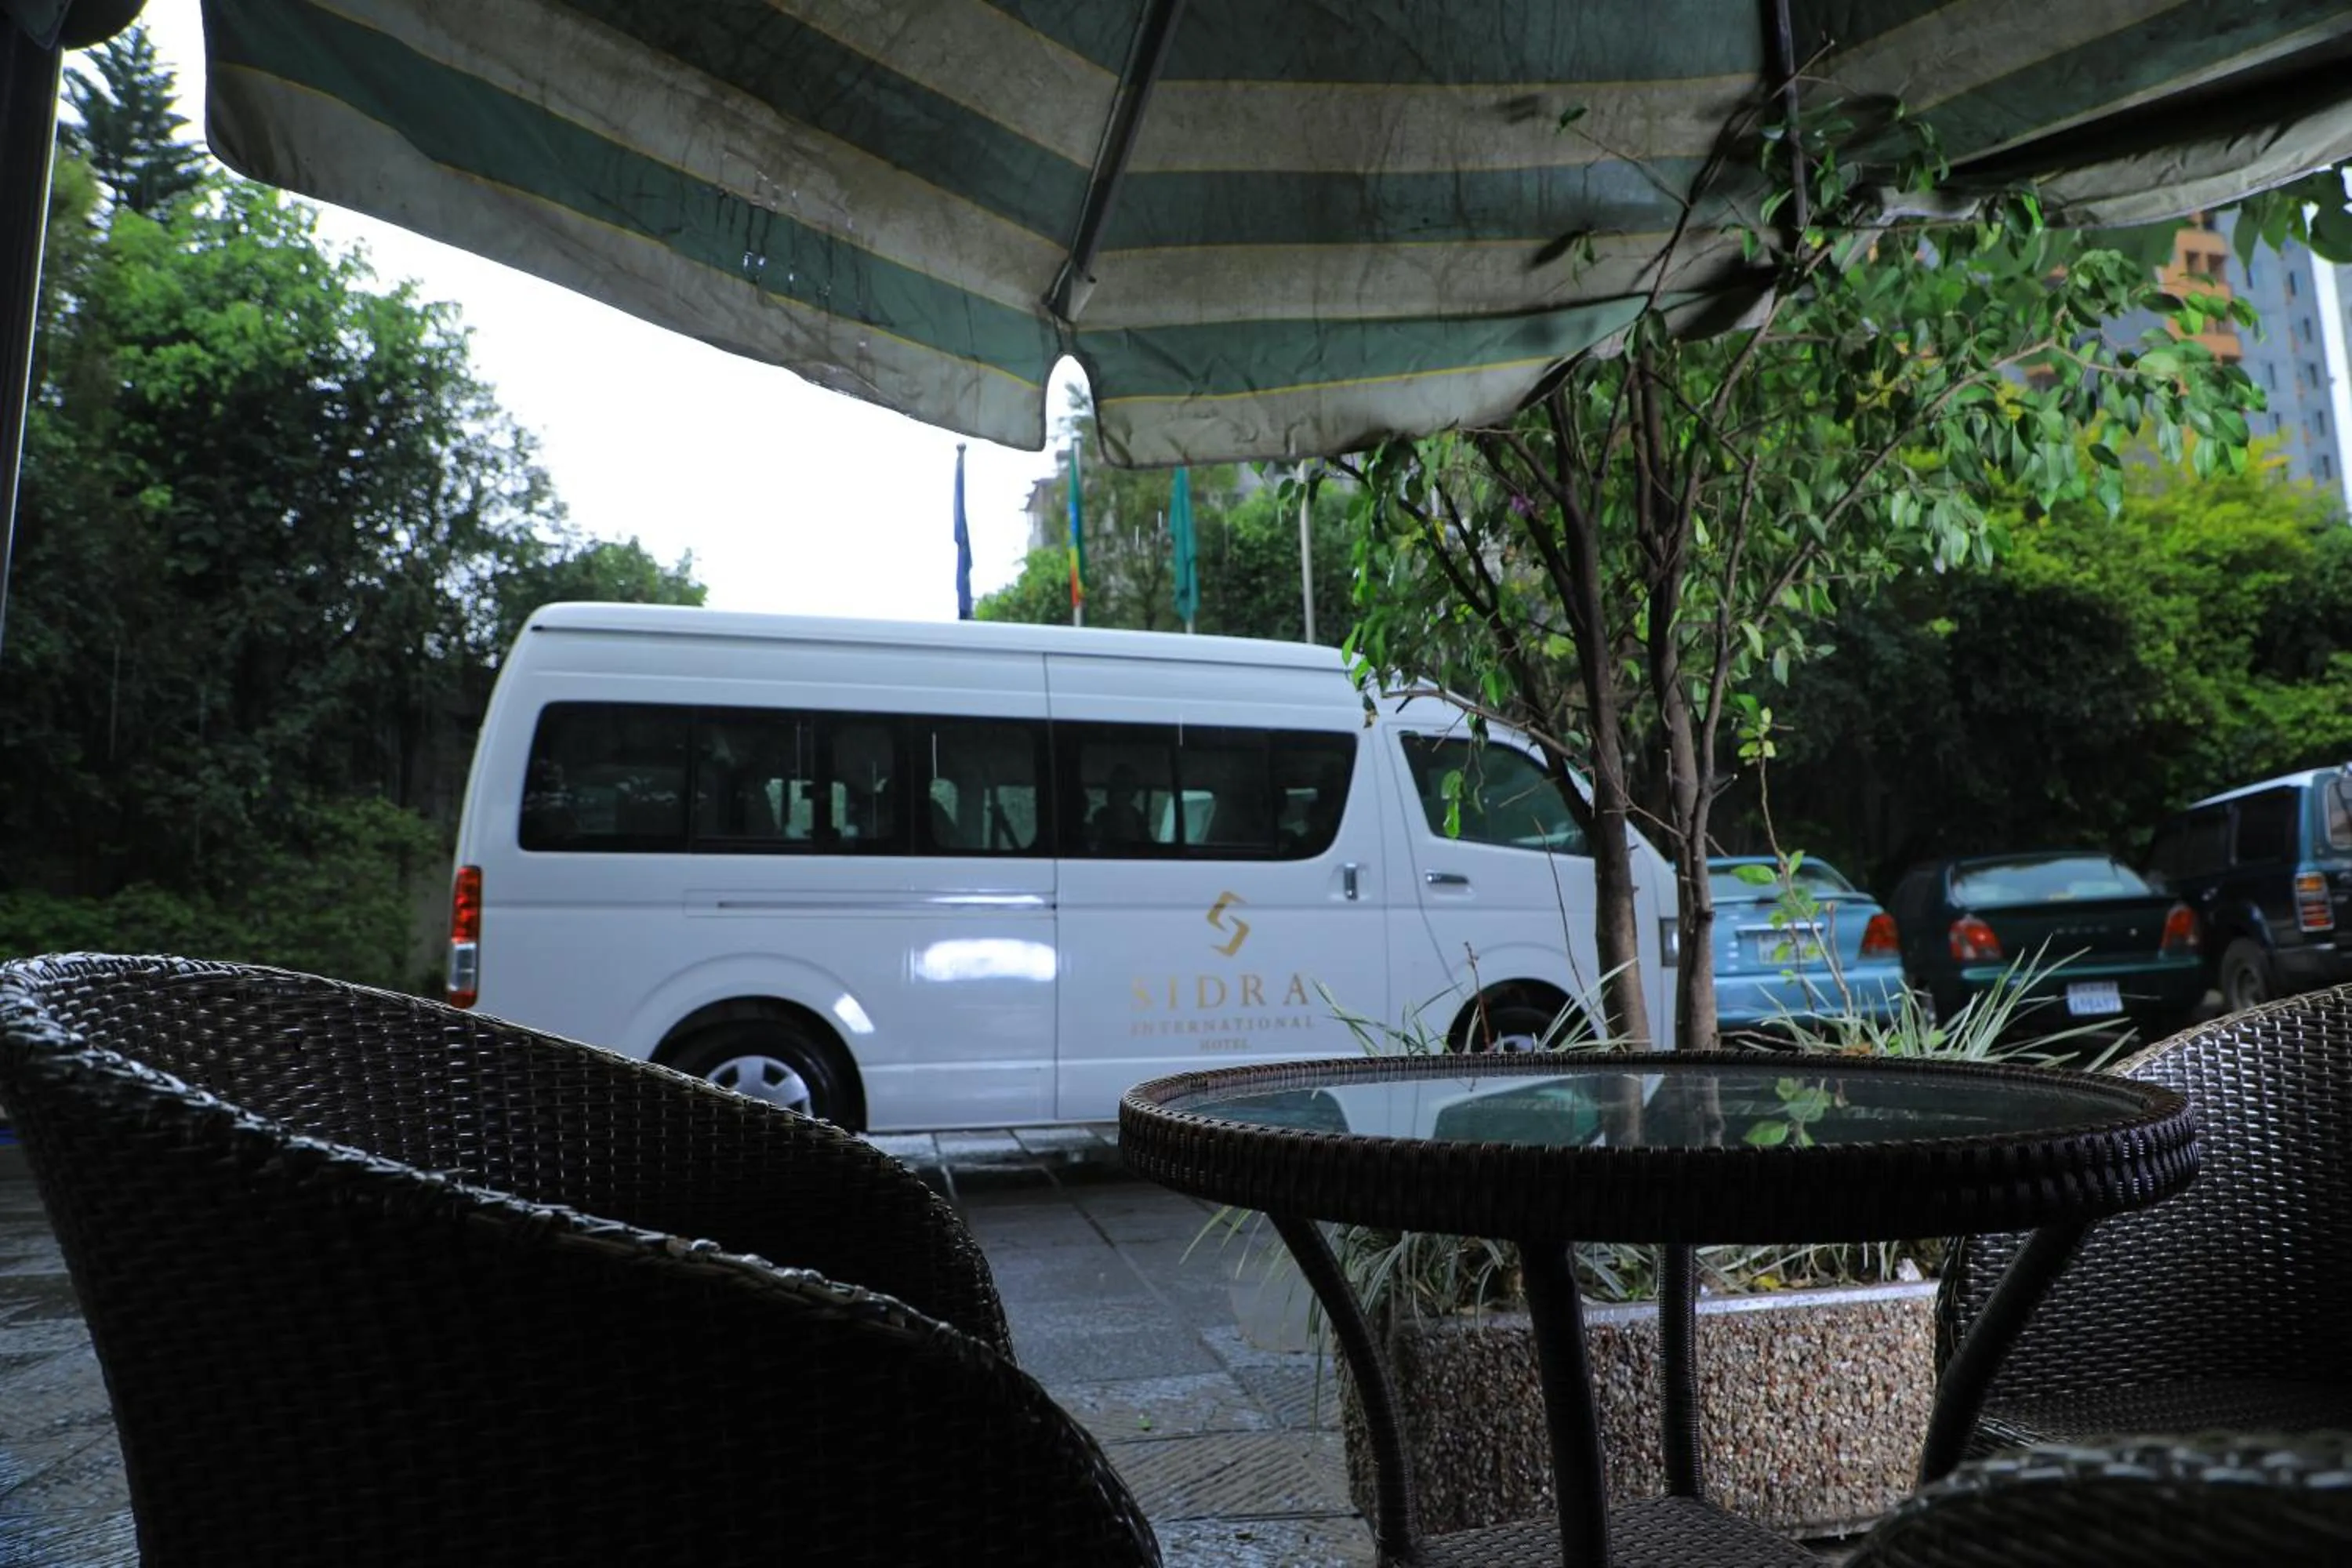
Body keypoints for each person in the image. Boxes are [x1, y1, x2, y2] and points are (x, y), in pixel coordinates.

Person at [1092, 764, 1148, 848]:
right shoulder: (1101, 815)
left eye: (1126, 785)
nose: (1122, 791)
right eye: (1118, 784)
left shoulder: (1139, 818)